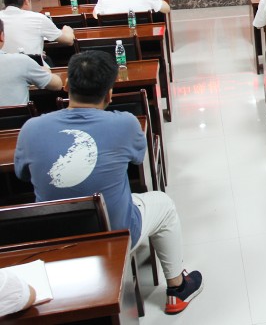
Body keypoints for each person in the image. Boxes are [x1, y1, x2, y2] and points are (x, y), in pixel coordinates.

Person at [14, 51, 203, 315]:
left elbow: (21, 175)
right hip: (115, 235)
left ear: (67, 85)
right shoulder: (125, 124)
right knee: (164, 204)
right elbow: (138, 157)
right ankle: (178, 288)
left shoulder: (31, 129)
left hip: (53, 237)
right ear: (110, 94)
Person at [0, 0, 74, 55]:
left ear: (3, 1)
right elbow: (69, 41)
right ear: (26, 0)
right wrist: (68, 30)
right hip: (31, 62)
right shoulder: (38, 18)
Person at [0, 18, 62, 106]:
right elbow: (57, 85)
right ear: (2, 36)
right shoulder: (21, 61)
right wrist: (46, 72)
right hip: (20, 116)